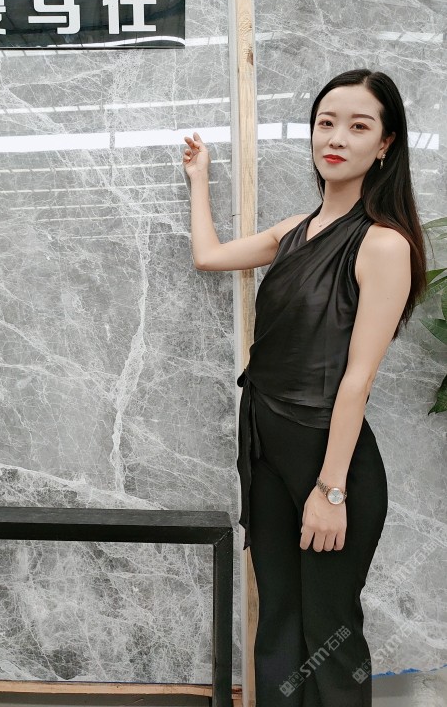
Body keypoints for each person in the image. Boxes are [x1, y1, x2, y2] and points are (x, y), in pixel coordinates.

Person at [181, 68, 427, 707]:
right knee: (279, 624)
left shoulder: (383, 245)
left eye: (358, 126)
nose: (336, 137)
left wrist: (331, 490)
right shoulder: (294, 229)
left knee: (330, 631)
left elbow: (358, 379)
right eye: (326, 123)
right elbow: (209, 256)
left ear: (385, 145)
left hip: (331, 463)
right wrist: (200, 179)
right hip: (266, 447)